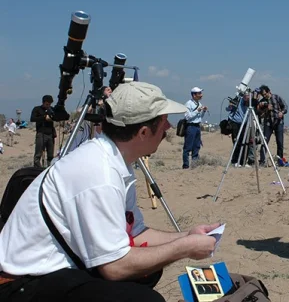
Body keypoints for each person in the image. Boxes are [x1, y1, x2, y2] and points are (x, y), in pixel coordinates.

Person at [0, 82, 220, 302]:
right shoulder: (99, 173)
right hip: (21, 282)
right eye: (163, 121)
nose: (169, 128)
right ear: (143, 132)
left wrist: (188, 236)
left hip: (57, 268)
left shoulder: (116, 159)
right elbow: (114, 267)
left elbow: (136, 232)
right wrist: (183, 248)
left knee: (148, 272)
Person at [257, 85, 287, 164]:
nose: (264, 96)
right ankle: (262, 161)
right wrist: (266, 109)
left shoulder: (277, 97)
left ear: (269, 91)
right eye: (263, 95)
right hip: (268, 124)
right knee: (264, 142)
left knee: (280, 142)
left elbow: (285, 107)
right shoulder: (262, 102)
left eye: (265, 94)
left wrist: (282, 112)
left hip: (278, 122)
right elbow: (260, 114)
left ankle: (280, 161)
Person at [225, 93, 255, 166]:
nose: (248, 99)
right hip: (235, 123)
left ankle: (242, 162)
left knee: (245, 142)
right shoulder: (238, 101)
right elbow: (228, 109)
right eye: (247, 97)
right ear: (244, 96)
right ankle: (235, 161)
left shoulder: (250, 103)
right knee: (237, 142)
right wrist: (231, 106)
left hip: (245, 123)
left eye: (249, 98)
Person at [182, 87, 207, 169]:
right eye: (199, 93)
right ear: (194, 95)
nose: (201, 95)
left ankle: (195, 164)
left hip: (197, 126)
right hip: (190, 126)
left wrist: (203, 111)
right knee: (188, 147)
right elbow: (187, 117)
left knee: (196, 146)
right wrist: (197, 111)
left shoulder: (199, 104)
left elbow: (199, 117)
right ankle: (186, 165)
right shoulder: (188, 104)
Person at [30, 95, 57, 167]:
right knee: (38, 154)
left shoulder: (52, 109)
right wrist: (44, 117)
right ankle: (37, 169)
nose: (48, 105)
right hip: (41, 133)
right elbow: (32, 118)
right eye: (47, 104)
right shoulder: (37, 109)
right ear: (43, 102)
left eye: (50, 104)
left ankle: (49, 168)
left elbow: (57, 117)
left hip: (50, 134)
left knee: (50, 154)